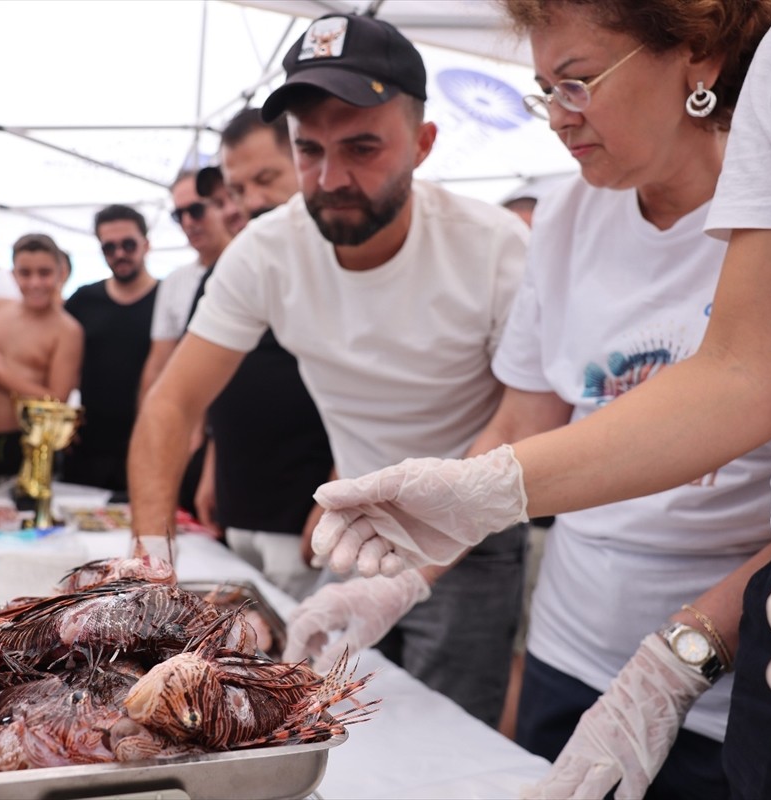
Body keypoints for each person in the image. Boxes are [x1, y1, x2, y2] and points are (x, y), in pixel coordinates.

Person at [304, 2, 771, 798]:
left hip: (750, 636)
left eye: (578, 84)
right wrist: (413, 568)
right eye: (543, 89)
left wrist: (686, 652)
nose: (556, 117)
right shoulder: (570, 213)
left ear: (697, 58)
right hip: (573, 640)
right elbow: (530, 421)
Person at [127, 13, 529, 727]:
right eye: (308, 150)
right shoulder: (266, 251)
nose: (329, 178)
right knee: (339, 729)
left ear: (424, 143)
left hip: (472, 535)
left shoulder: (495, 248)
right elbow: (171, 404)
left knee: (448, 740)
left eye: (363, 147)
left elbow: (522, 418)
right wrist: (153, 569)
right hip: (354, 532)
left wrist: (423, 553)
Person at [191, 107, 334, 601]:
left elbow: (363, 390)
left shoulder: (335, 257)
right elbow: (217, 382)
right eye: (235, 191)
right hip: (239, 495)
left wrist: (340, 489)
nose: (248, 203)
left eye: (266, 179)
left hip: (302, 502)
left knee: (298, 649)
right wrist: (213, 466)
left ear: (305, 160)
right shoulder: (237, 266)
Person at [0, 233, 83, 493]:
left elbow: (57, 401)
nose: (35, 282)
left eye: (44, 273)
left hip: (20, 448)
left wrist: (1, 374)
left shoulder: (67, 330)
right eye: (25, 273)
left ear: (60, 273)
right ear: (12, 274)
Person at [62, 205, 159, 495]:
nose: (120, 253)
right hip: (88, 449)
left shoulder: (168, 299)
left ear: (146, 244)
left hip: (148, 445)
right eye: (109, 247)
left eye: (128, 244)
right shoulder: (83, 300)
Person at [138, 170, 232, 401]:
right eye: (178, 215)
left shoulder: (255, 265)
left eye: (196, 210)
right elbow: (159, 362)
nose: (188, 222)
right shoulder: (174, 282)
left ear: (223, 204)